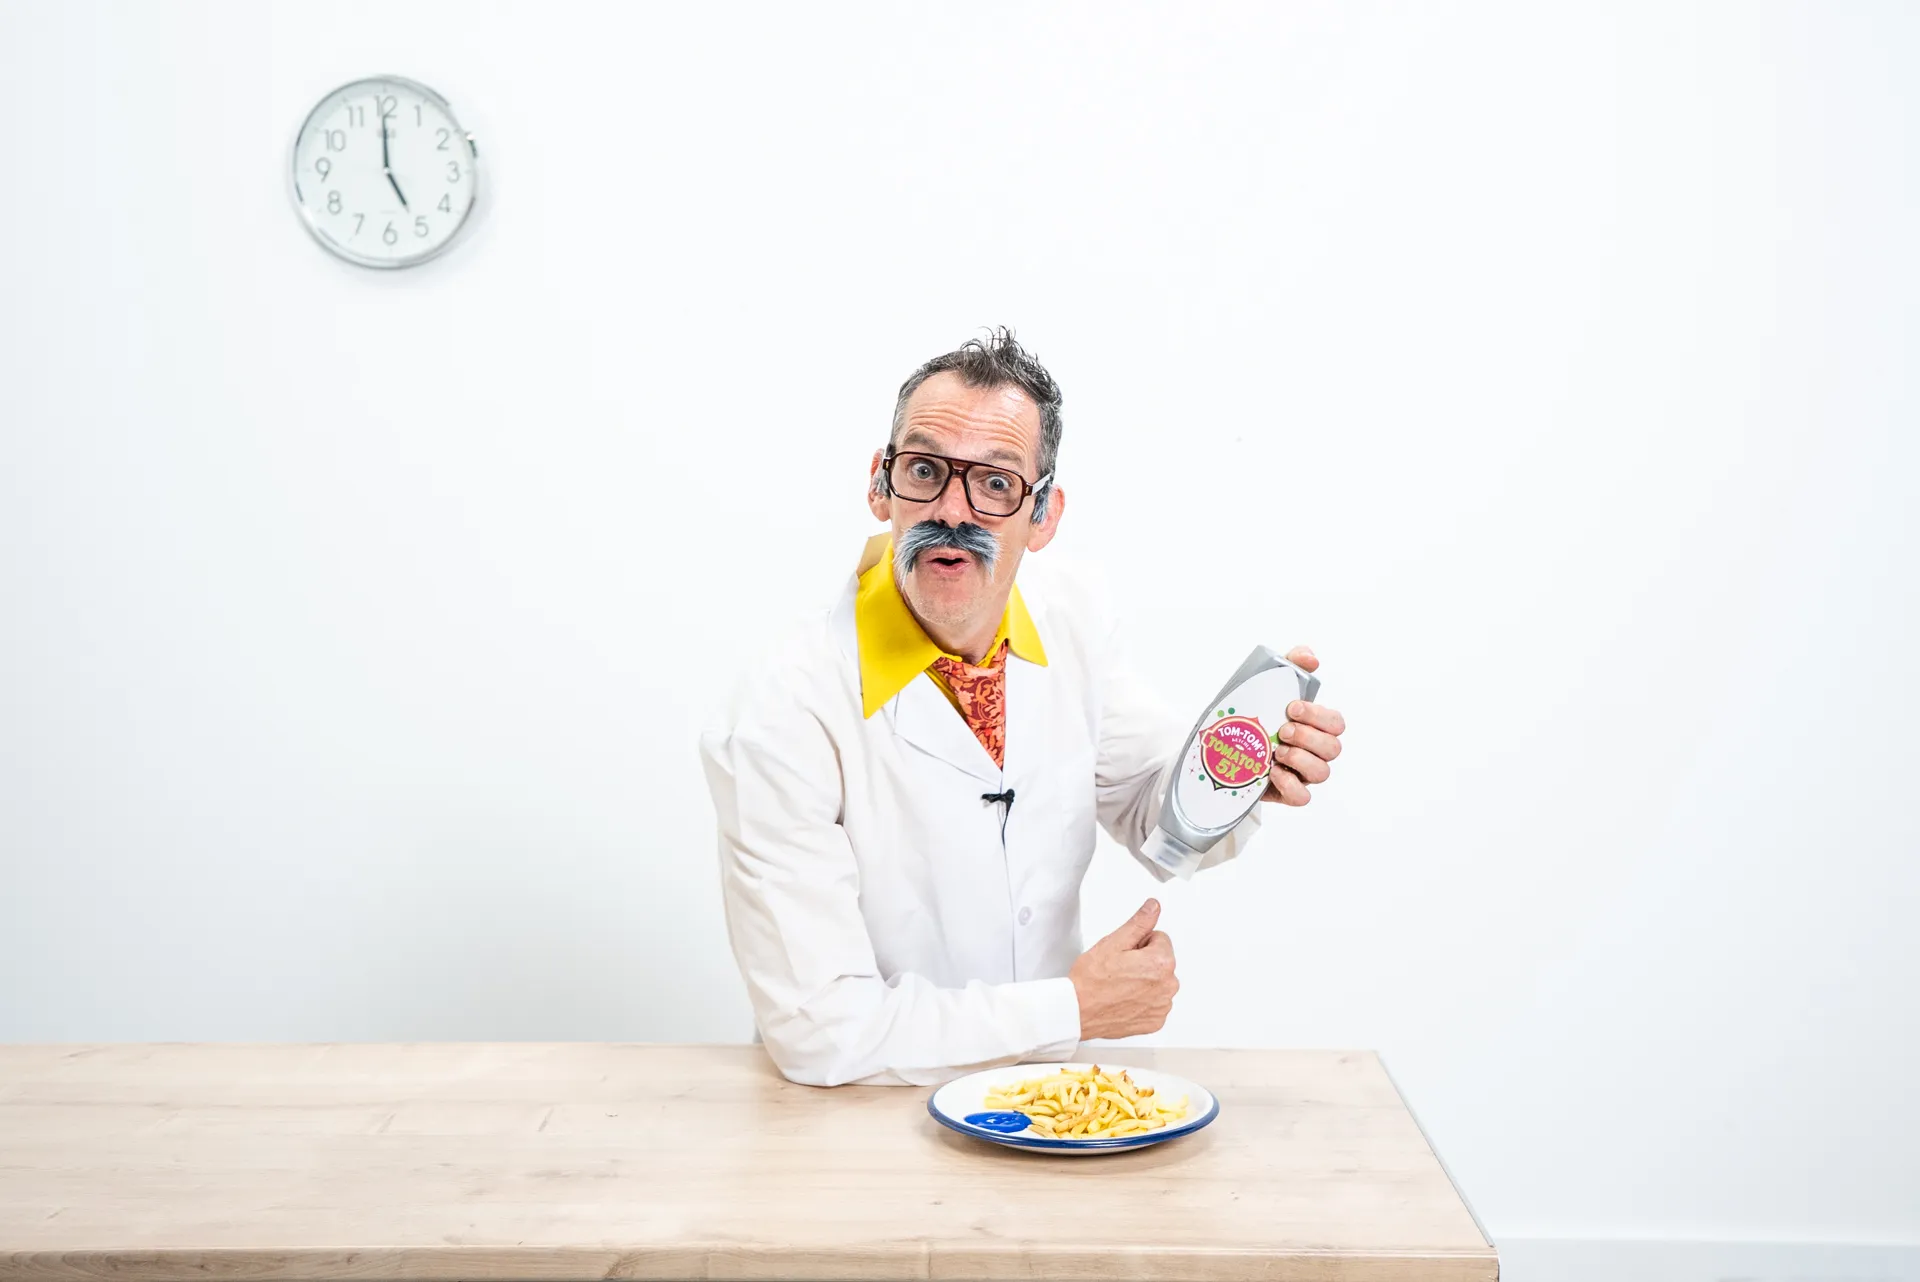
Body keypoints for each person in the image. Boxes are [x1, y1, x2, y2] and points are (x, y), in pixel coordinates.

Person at [698, 328, 1346, 1087]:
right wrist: (1073, 1009)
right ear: (880, 484)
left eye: (997, 483)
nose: (952, 508)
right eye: (925, 469)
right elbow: (822, 1033)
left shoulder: (1072, 616)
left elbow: (1157, 817)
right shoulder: (781, 710)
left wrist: (1236, 774)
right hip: (856, 1126)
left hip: (1045, 1110)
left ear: (1044, 514)